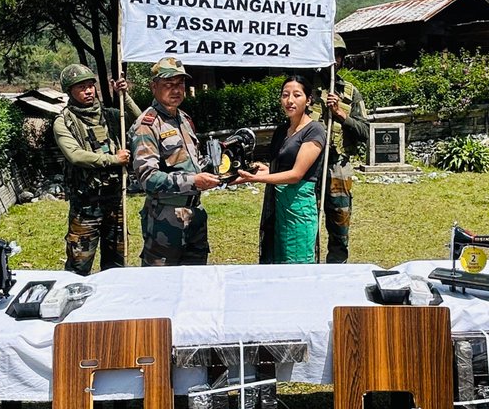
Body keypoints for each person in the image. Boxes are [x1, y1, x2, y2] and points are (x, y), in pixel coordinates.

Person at [53, 63, 141, 275]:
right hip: (86, 205)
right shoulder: (63, 122)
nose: (88, 91)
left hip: (115, 201)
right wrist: (114, 159)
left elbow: (140, 121)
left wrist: (124, 95)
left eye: (90, 85)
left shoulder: (111, 116)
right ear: (69, 91)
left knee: (116, 266)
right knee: (78, 266)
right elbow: (75, 155)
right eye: (81, 87)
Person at [132, 57, 221, 266]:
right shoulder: (147, 125)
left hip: (194, 215)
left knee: (194, 283)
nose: (176, 90)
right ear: (154, 87)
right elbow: (148, 178)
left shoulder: (184, 119)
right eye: (168, 85)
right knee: (162, 286)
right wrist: (194, 181)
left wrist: (218, 174)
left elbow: (193, 163)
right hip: (166, 219)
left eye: (180, 84)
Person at [238, 75, 327, 264]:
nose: (290, 100)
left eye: (297, 95)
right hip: (279, 206)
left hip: (298, 207)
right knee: (278, 261)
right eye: (285, 95)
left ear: (308, 100)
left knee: (297, 263)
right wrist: (257, 172)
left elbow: (296, 175)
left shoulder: (315, 130)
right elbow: (279, 169)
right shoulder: (281, 130)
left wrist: (255, 179)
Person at [312, 33, 370, 263]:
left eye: (337, 55)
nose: (333, 60)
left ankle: (337, 267)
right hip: (310, 166)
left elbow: (365, 131)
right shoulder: (305, 87)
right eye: (329, 54)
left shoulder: (349, 92)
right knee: (308, 222)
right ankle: (309, 266)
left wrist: (341, 115)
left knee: (339, 223)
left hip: (339, 168)